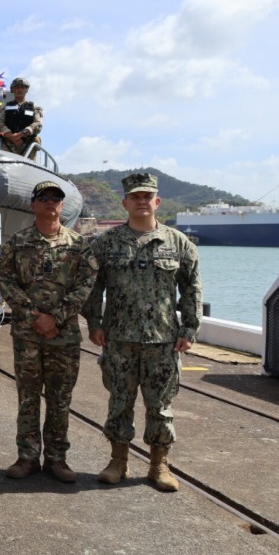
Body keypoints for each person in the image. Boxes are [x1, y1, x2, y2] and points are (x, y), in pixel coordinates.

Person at [84, 172, 202, 492]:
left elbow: (191, 288)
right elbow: (93, 288)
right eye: (135, 196)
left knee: (160, 405)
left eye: (147, 196)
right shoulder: (106, 243)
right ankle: (117, 461)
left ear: (157, 201)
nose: (141, 201)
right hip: (119, 338)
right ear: (125, 202)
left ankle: (159, 464)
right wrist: (94, 323)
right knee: (119, 401)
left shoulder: (178, 243)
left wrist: (189, 329)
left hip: (162, 339)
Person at [0, 181, 98, 483]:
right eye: (44, 198)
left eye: (56, 199)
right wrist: (33, 316)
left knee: (59, 399)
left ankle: (57, 459)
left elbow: (86, 284)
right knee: (28, 397)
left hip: (64, 336)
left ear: (62, 206)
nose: (51, 203)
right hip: (27, 335)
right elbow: (5, 280)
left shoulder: (78, 245)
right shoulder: (18, 242)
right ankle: (27, 457)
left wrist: (55, 317)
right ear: (33, 205)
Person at [0, 77, 43, 158]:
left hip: (28, 145)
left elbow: (38, 124)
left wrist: (21, 134)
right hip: (9, 145)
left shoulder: (35, 108)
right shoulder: (4, 108)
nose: (20, 90)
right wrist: (12, 137)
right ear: (12, 90)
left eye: (23, 87)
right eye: (17, 87)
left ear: (27, 90)